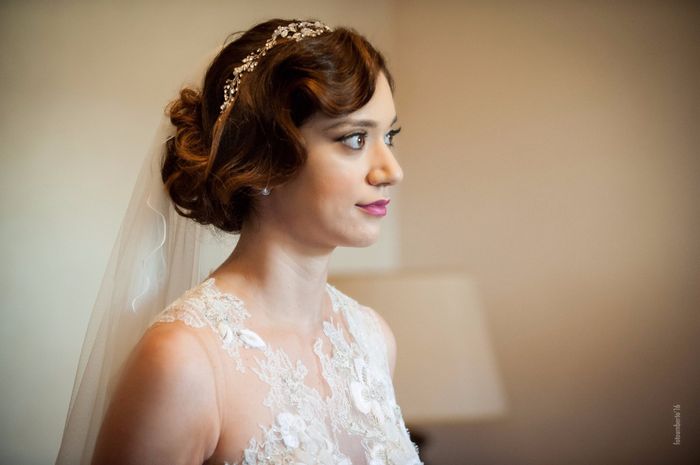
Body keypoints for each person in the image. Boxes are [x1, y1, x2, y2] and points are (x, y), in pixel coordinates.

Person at [56, 18, 422, 465]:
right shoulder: (185, 361)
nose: (391, 171)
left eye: (389, 136)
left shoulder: (372, 339)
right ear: (265, 154)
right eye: (355, 138)